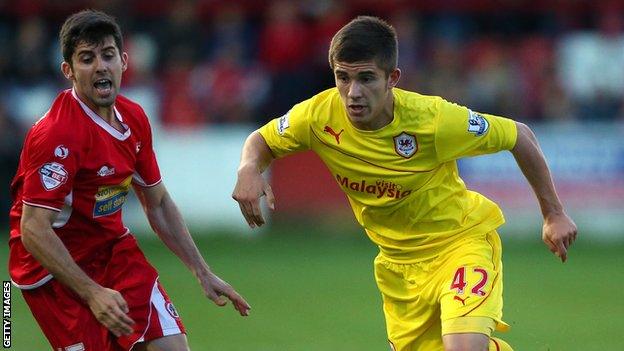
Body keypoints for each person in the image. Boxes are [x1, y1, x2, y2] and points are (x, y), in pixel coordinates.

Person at [232, 16, 577, 351]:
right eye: (342, 77)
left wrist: (553, 213)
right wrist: (249, 168)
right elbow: (262, 140)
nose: (353, 92)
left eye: (366, 78)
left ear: (392, 78)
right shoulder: (317, 116)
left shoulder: (435, 120)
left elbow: (521, 135)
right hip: (399, 269)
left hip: (460, 243)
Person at [9, 10, 250, 351]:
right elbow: (34, 229)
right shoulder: (56, 135)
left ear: (123, 61)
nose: (100, 67)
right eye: (87, 59)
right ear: (69, 71)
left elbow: (159, 203)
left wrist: (202, 271)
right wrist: (92, 292)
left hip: (111, 251)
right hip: (52, 271)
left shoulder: (134, 118)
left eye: (107, 56)